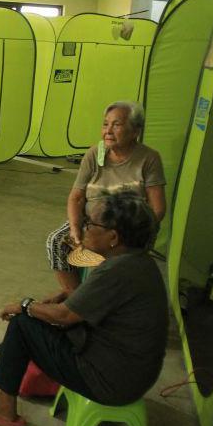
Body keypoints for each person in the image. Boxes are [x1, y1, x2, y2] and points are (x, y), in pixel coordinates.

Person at [0, 190, 168, 426]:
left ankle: (3, 409)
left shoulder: (116, 270)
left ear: (113, 237)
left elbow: (64, 317)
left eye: (91, 224)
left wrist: (24, 305)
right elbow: (97, 303)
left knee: (23, 323)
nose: (84, 228)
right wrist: (72, 296)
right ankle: (40, 381)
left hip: (109, 382)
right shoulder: (138, 262)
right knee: (39, 318)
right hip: (129, 375)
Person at [47, 101, 166, 294]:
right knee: (56, 241)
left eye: (117, 125)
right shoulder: (94, 153)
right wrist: (76, 229)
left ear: (135, 131)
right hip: (92, 223)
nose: (108, 130)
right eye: (105, 124)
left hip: (129, 228)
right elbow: (76, 197)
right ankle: (75, 296)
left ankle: (95, 301)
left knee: (110, 256)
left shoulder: (149, 158)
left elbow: (158, 208)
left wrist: (128, 234)